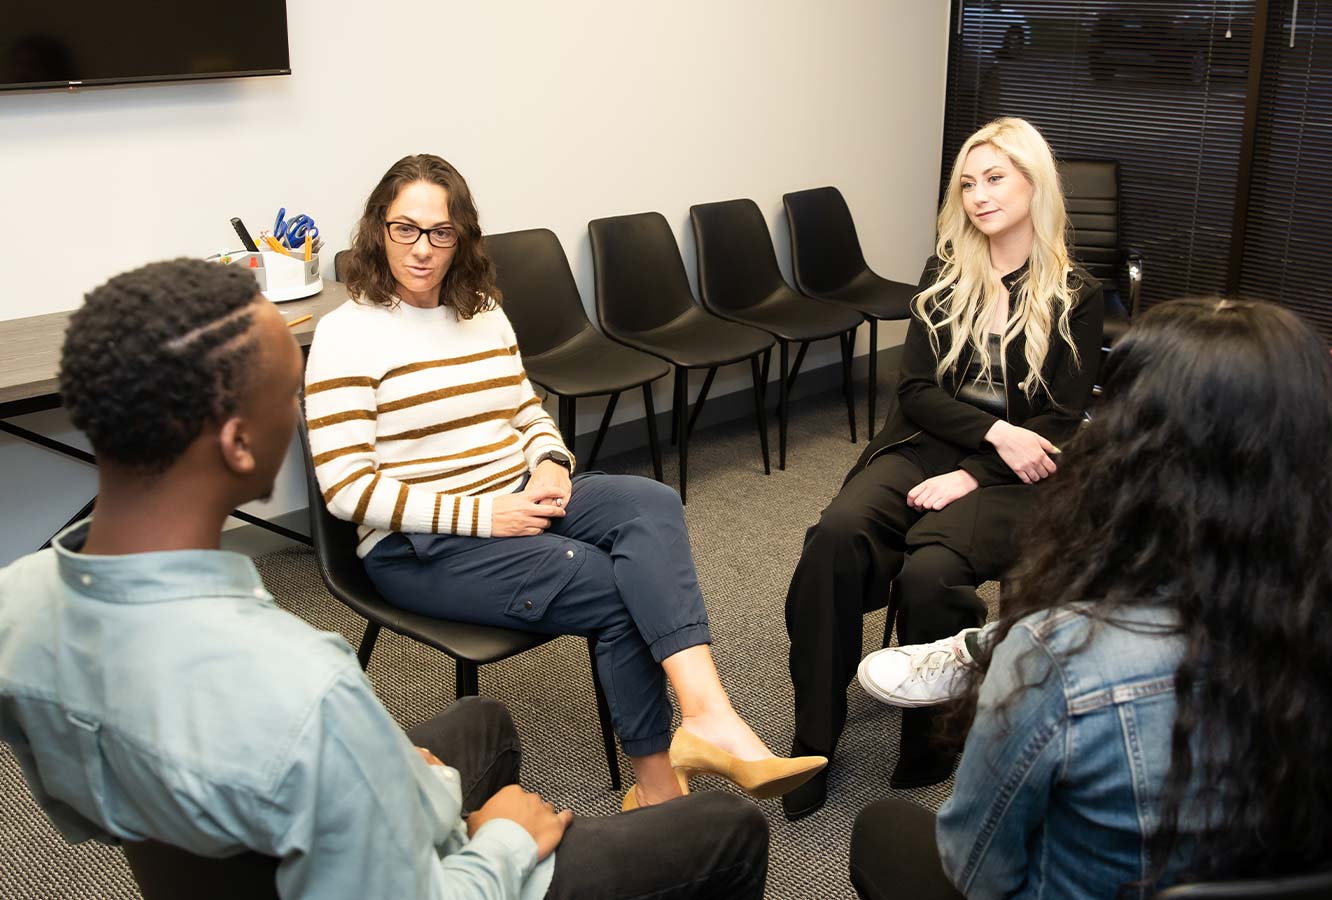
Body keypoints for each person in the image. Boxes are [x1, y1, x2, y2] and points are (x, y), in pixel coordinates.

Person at [0, 259, 770, 900]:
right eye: (292, 394)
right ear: (240, 445)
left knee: (486, 726)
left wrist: (387, 775)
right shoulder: (310, 689)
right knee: (730, 831)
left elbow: (91, 801)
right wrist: (501, 839)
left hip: (241, 856)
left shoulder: (17, 604)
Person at [861, 154, 1332, 729]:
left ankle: (1012, 669)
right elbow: (1277, 424)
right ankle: (1008, 654)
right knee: (1114, 543)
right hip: (1284, 582)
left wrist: (1264, 527)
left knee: (1088, 682)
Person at [849, 299, 1332, 900]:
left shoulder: (1059, 654)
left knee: (884, 829)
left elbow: (978, 872)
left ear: (1133, 452)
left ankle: (983, 648)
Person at [304, 153, 822, 810]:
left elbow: (523, 410)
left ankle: (706, 715)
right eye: (405, 229)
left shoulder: (482, 310)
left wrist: (549, 459)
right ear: (379, 228)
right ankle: (659, 786)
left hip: (519, 495)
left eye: (440, 232)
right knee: (615, 586)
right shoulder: (347, 334)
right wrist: (483, 516)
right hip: (421, 544)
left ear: (462, 236)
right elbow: (346, 489)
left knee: (650, 502)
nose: (422, 249)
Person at [783, 117, 1104, 820]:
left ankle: (933, 740)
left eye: (995, 179)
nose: (979, 197)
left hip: (1016, 474)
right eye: (967, 184)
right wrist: (988, 431)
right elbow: (916, 392)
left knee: (931, 572)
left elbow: (1055, 424)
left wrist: (975, 471)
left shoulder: (1077, 295)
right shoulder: (945, 274)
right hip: (925, 442)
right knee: (835, 536)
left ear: (1033, 182)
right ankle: (813, 739)